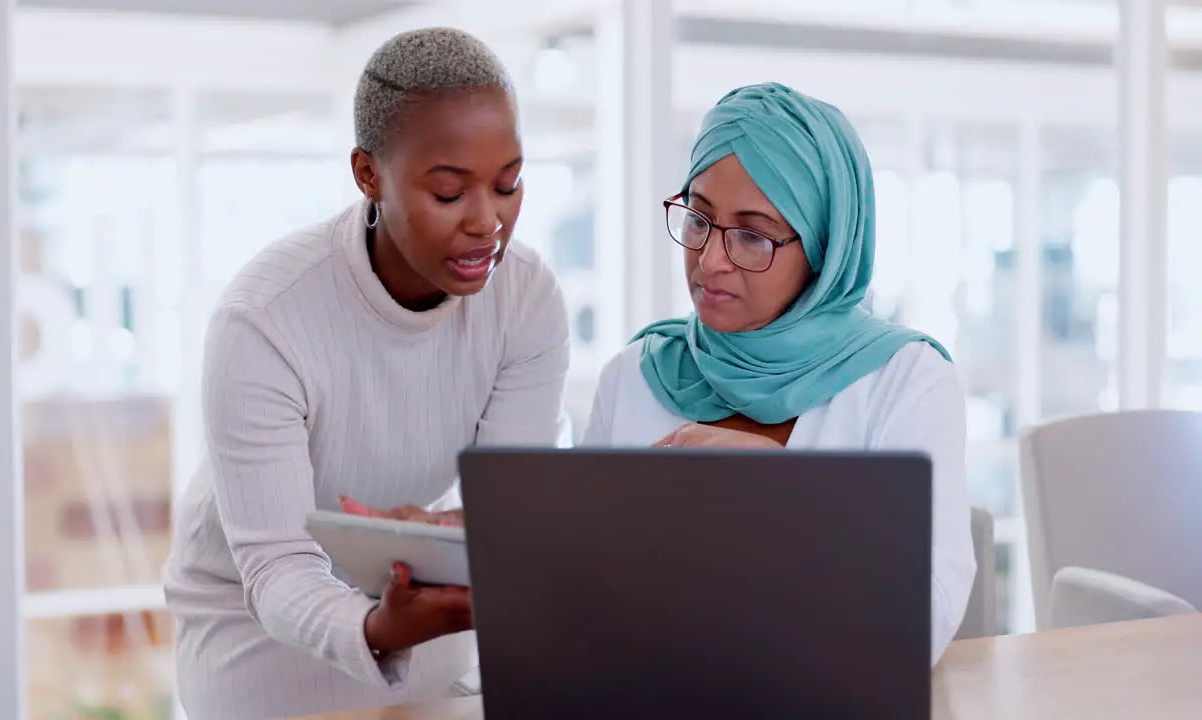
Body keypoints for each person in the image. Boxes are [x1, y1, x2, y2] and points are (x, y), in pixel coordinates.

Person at [162, 28, 570, 719]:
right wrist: (375, 627)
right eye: (449, 193)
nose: (488, 222)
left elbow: (507, 511)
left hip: (417, 610)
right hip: (255, 633)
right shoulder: (266, 318)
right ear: (367, 174)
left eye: (509, 184)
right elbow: (279, 566)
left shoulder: (525, 298)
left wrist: (447, 541)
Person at [581, 82, 976, 664]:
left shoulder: (906, 380)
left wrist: (778, 490)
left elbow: (923, 620)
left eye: (752, 235)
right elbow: (578, 593)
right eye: (698, 218)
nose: (711, 259)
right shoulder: (635, 374)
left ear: (822, 250)